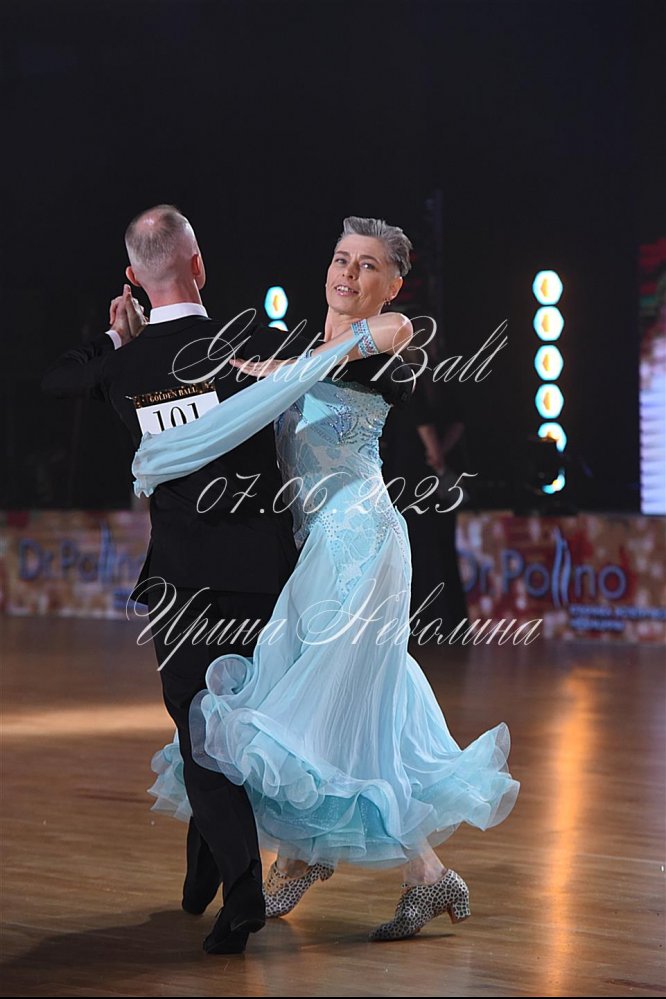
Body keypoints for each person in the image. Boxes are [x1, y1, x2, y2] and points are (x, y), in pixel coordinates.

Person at [130, 216, 520, 943]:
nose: (349, 273)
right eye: (342, 259)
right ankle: (413, 872)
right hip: (316, 549)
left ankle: (317, 858)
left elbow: (395, 331)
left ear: (391, 283)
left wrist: (285, 368)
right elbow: (231, 387)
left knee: (320, 705)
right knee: (348, 707)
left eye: (368, 265)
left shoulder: (381, 348)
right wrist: (137, 345)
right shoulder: (298, 356)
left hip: (361, 545)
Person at [41, 204, 316, 954]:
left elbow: (57, 379)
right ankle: (207, 868)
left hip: (183, 578)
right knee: (233, 727)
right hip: (264, 575)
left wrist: (113, 336)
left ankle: (241, 892)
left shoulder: (123, 366)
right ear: (198, 265)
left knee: (200, 729)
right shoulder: (246, 348)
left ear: (133, 279)